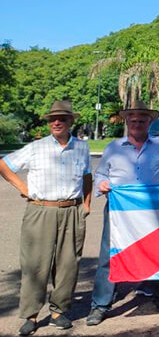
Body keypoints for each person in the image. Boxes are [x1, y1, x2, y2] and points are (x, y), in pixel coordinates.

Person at [88, 100, 159, 326]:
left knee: (158, 252)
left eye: (142, 120)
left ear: (149, 122)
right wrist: (102, 185)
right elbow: (101, 174)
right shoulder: (113, 147)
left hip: (151, 210)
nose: (137, 123)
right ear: (127, 121)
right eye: (132, 120)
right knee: (109, 255)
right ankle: (100, 305)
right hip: (119, 210)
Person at [0, 101, 92, 335]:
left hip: (71, 211)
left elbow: (87, 176)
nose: (57, 122)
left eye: (62, 118)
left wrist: (87, 204)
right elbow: (4, 165)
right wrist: (24, 187)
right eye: (53, 119)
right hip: (40, 211)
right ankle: (31, 315)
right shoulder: (36, 147)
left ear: (71, 121)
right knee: (35, 264)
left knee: (68, 264)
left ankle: (58, 312)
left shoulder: (82, 148)